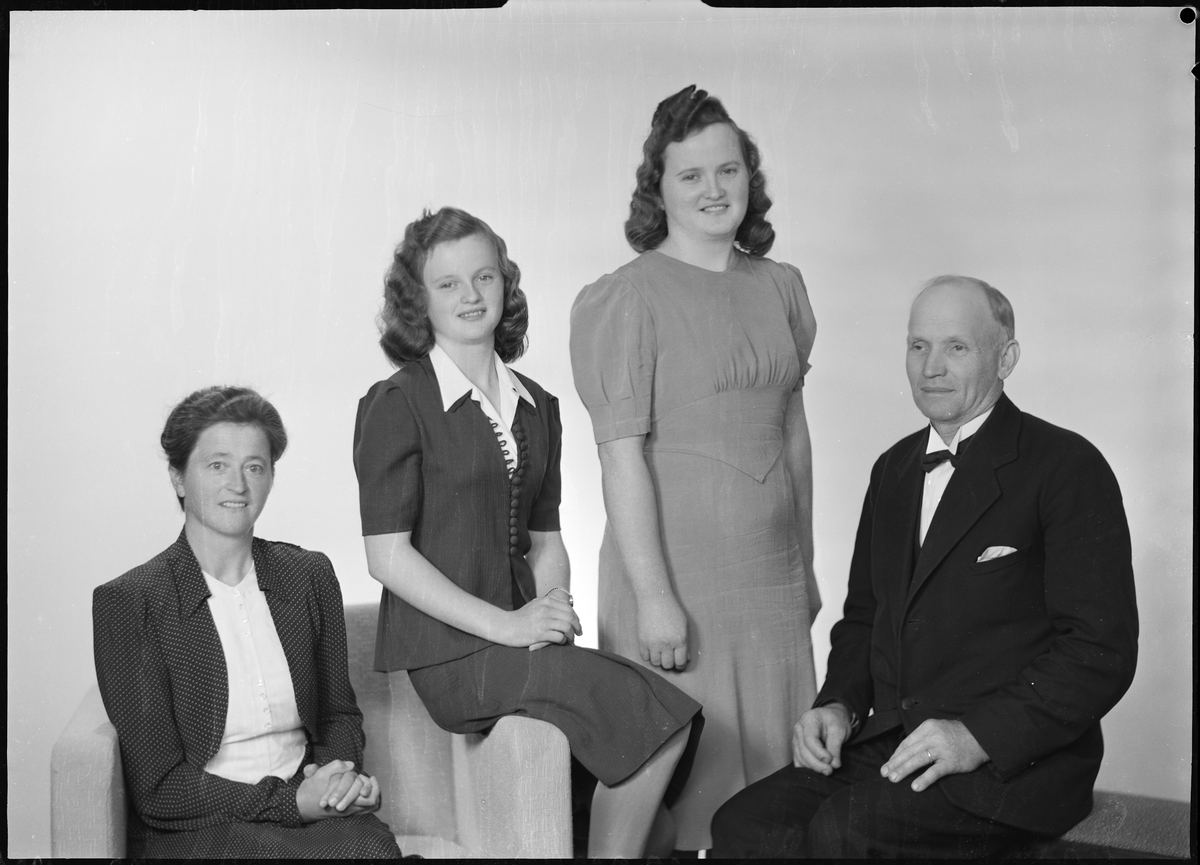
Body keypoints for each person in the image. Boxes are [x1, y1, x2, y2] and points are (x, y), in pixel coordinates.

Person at [711, 276, 1139, 858]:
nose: (931, 367)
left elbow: (1099, 651)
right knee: (743, 825)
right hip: (896, 741)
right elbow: (865, 617)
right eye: (919, 346)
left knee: (843, 834)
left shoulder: (1067, 465)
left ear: (1006, 359)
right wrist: (837, 704)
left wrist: (976, 737)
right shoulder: (892, 468)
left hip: (1012, 764)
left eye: (957, 347)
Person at [352, 206, 702, 859]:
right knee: (653, 717)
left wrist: (551, 615)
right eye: (448, 283)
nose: (470, 295)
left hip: (518, 643)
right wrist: (509, 626)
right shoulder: (396, 403)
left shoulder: (540, 406)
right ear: (418, 301)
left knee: (658, 772)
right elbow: (386, 557)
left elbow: (546, 541)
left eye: (484, 276)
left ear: (505, 284)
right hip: (453, 658)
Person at [568, 84, 820, 851]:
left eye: (728, 170)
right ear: (659, 188)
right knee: (675, 790)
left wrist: (806, 566)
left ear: (750, 176)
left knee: (772, 799)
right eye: (691, 174)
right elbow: (619, 459)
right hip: (677, 584)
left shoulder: (781, 287)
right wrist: (655, 601)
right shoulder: (624, 298)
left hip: (769, 584)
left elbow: (794, 440)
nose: (714, 189)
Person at [92, 386, 403, 859]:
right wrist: (293, 804)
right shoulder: (132, 601)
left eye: (254, 467)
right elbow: (160, 789)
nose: (238, 485)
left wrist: (335, 782)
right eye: (217, 465)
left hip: (309, 811)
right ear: (178, 477)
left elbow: (338, 715)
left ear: (271, 477)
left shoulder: (309, 575)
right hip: (201, 828)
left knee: (371, 848)